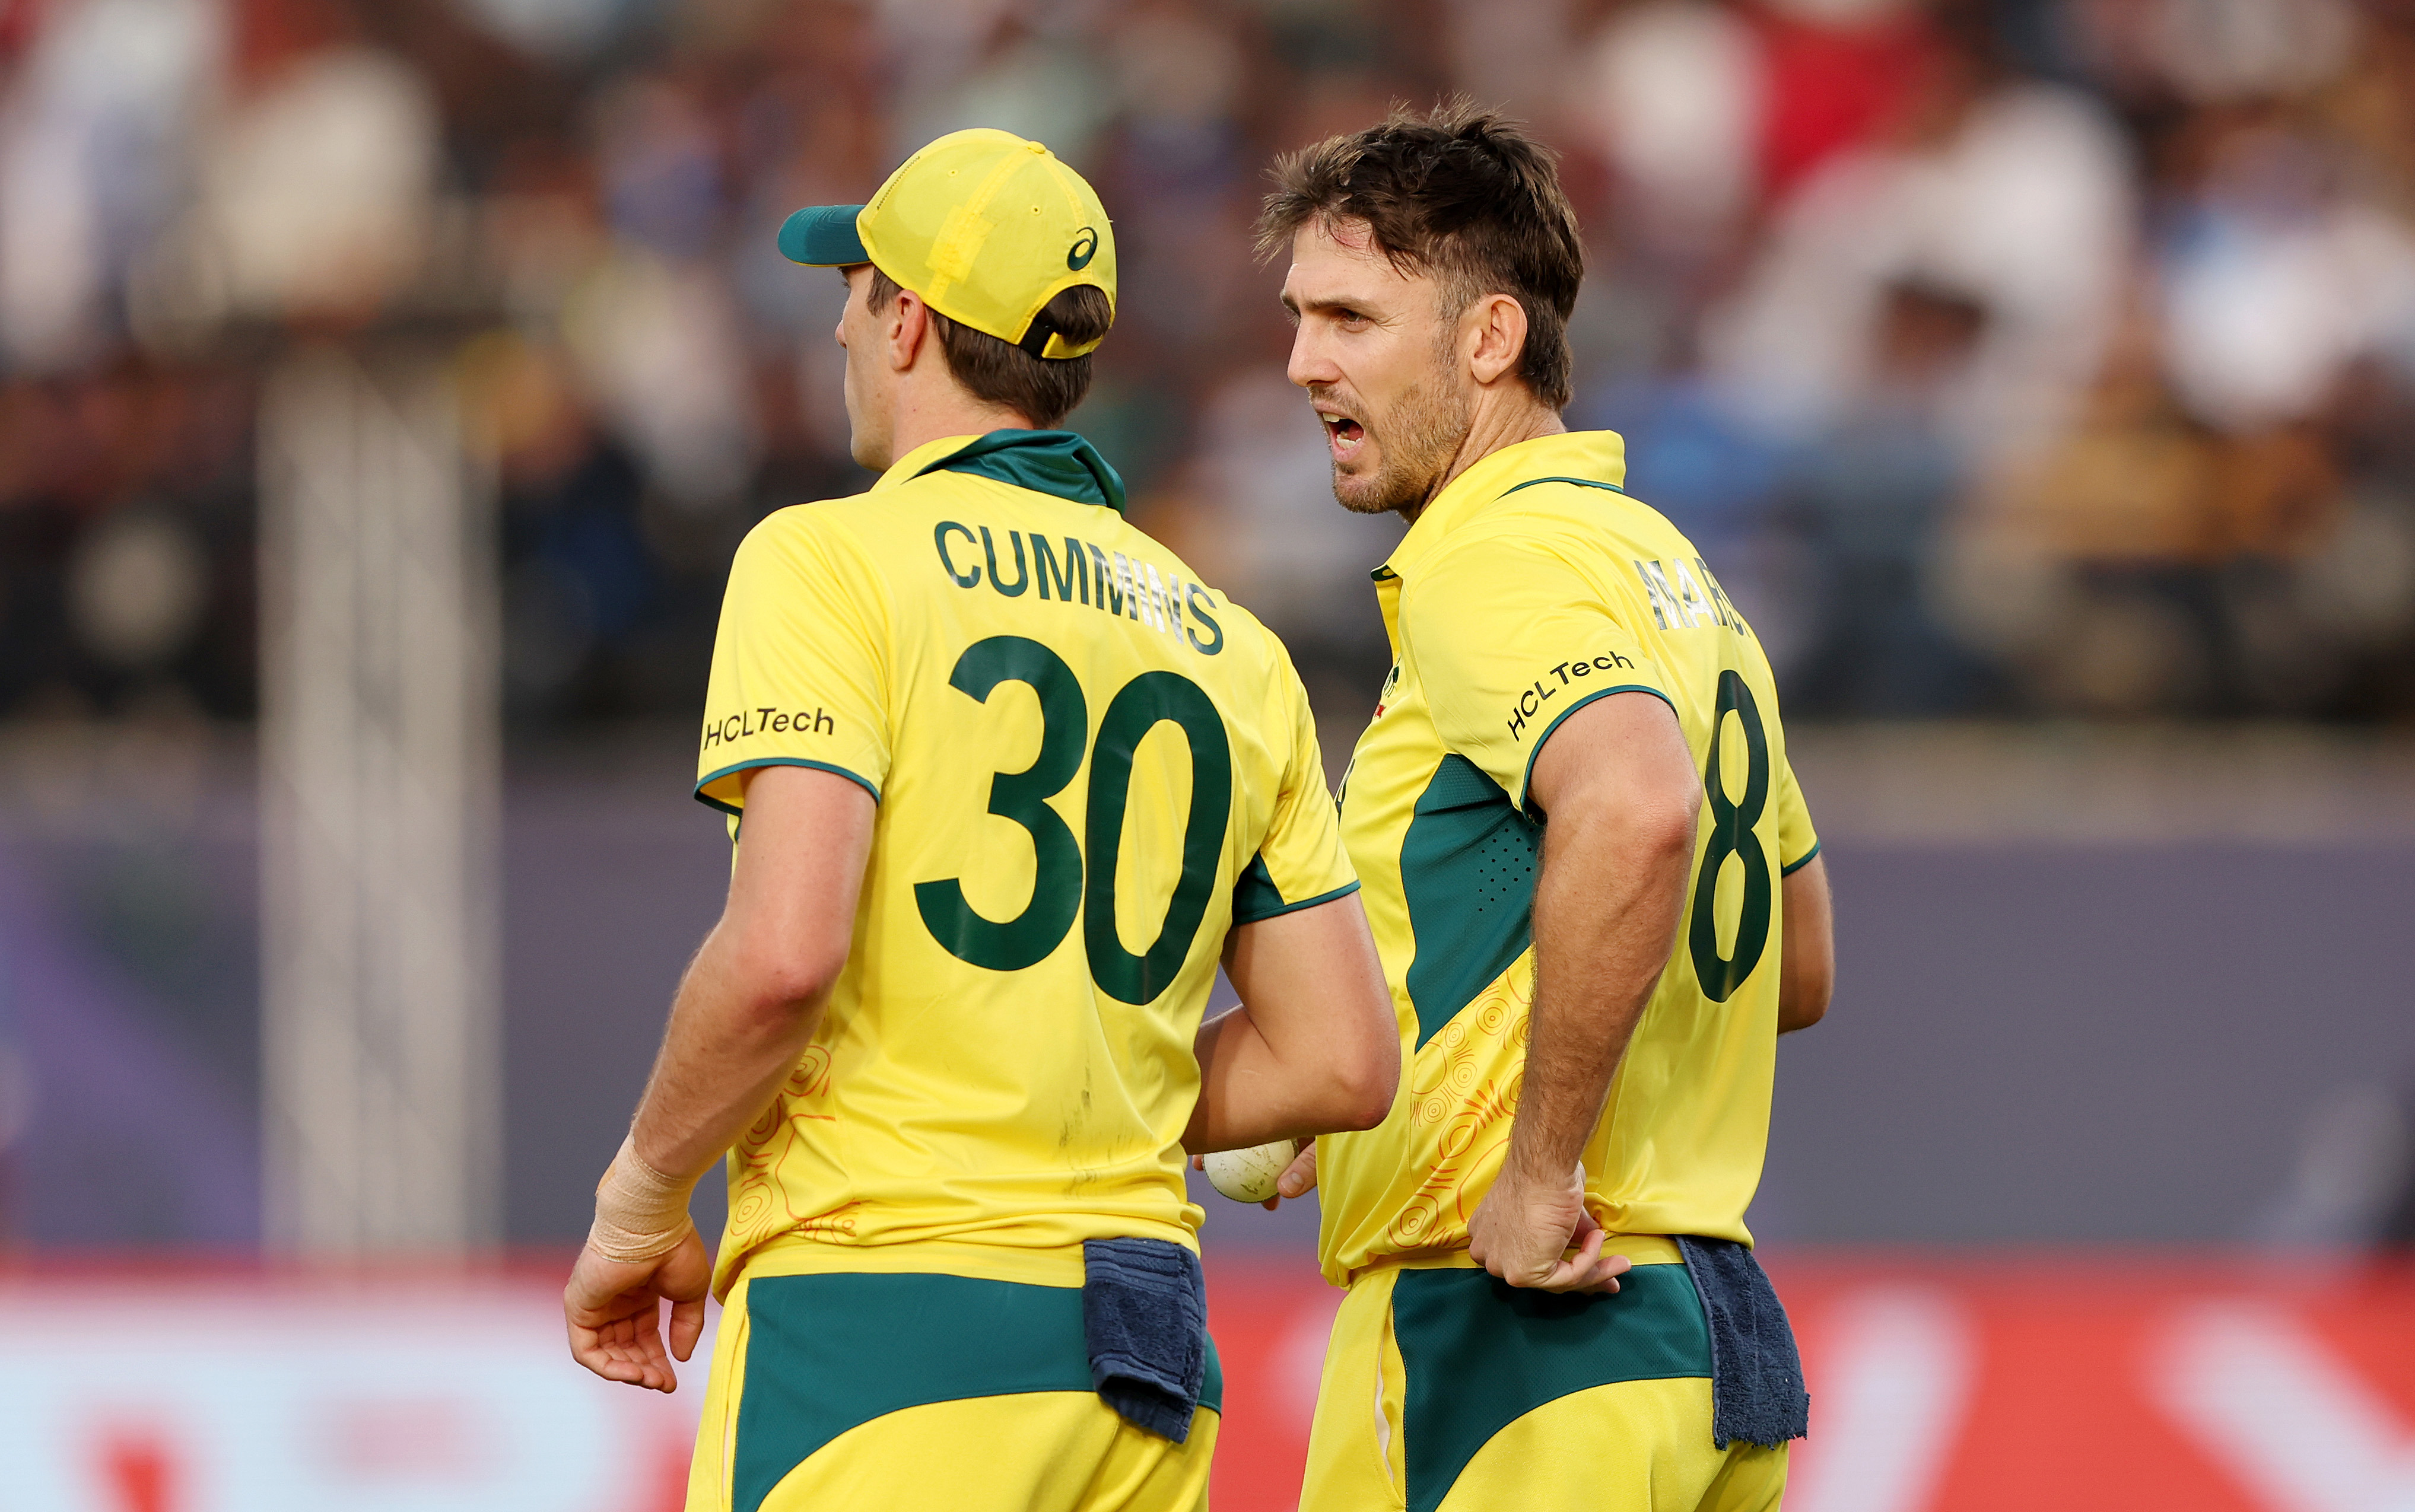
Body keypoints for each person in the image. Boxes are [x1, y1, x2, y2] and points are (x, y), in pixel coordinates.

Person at [559, 128, 1401, 1512]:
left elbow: (782, 955)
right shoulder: (1231, 646)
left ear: (911, 324)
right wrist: (1077, 1076)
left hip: (882, 1325)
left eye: (856, 284)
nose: (836, 316)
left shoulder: (826, 559)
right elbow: (1342, 1062)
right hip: (1141, 1351)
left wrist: (641, 1198)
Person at [1255, 103, 1836, 1511]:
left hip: (1515, 1332)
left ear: (1488, 340)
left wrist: (1534, 1168)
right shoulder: (1674, 580)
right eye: (1296, 317)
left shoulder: (1496, 562)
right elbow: (1797, 966)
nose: (1300, 363)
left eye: (1348, 318)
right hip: (1705, 1339)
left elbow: (1635, 813)